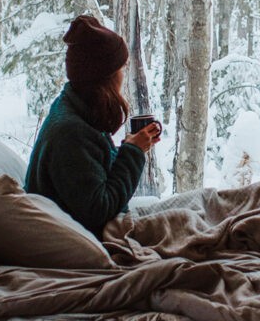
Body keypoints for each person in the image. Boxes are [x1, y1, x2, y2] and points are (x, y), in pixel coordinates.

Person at [24, 14, 162, 236]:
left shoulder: (76, 109)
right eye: (121, 67)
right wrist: (133, 153)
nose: (123, 75)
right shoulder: (71, 133)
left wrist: (128, 148)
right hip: (73, 238)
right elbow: (99, 209)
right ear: (104, 76)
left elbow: (90, 173)